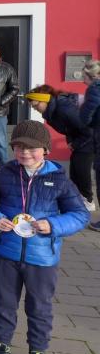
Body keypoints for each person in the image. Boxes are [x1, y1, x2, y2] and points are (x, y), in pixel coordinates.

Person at [0, 120, 89, 354]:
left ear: (45, 150)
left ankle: (37, 353)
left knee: (40, 307)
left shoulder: (59, 178)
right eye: (18, 147)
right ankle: (2, 345)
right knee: (4, 303)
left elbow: (80, 214)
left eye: (31, 148)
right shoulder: (3, 174)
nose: (25, 152)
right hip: (7, 253)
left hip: (43, 258)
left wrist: (54, 225)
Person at [26, 85, 94, 210]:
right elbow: (69, 128)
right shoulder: (51, 111)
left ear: (44, 100)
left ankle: (88, 201)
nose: (35, 109)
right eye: (33, 107)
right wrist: (70, 141)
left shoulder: (64, 108)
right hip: (80, 138)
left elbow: (87, 129)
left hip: (90, 137)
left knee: (81, 169)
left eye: (36, 105)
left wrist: (75, 143)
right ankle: (78, 199)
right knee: (75, 169)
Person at [79, 60, 100, 231]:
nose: (82, 80)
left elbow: (86, 116)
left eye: (84, 76)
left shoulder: (94, 89)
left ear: (90, 76)